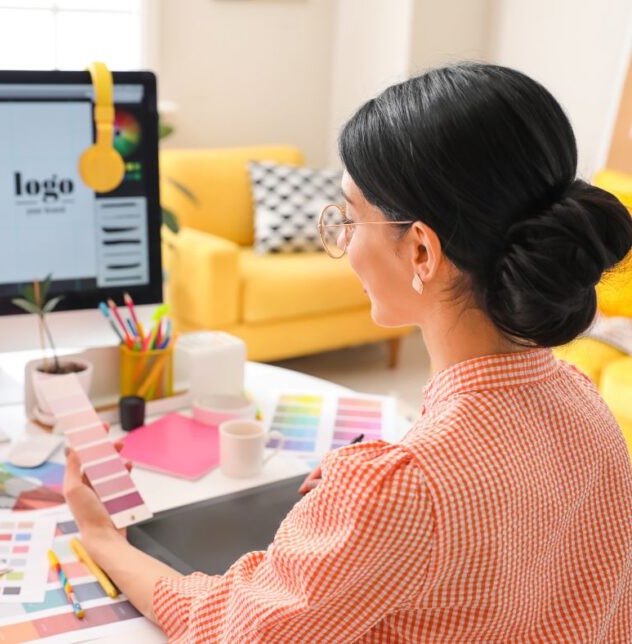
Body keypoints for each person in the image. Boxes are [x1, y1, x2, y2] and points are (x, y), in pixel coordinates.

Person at [64, 63, 632, 642]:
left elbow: (232, 632)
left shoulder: (401, 490)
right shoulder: (583, 403)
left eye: (351, 216)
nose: (341, 240)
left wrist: (104, 540)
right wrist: (362, 508)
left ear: (421, 251)